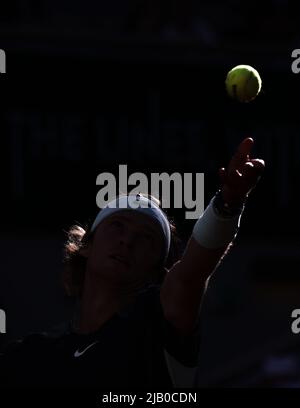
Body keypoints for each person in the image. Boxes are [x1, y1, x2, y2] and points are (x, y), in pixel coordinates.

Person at [0, 137, 265, 388]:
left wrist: (229, 204)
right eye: (117, 226)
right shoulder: (28, 357)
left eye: (146, 239)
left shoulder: (156, 325)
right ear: (86, 246)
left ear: (157, 272)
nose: (127, 241)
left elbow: (190, 275)